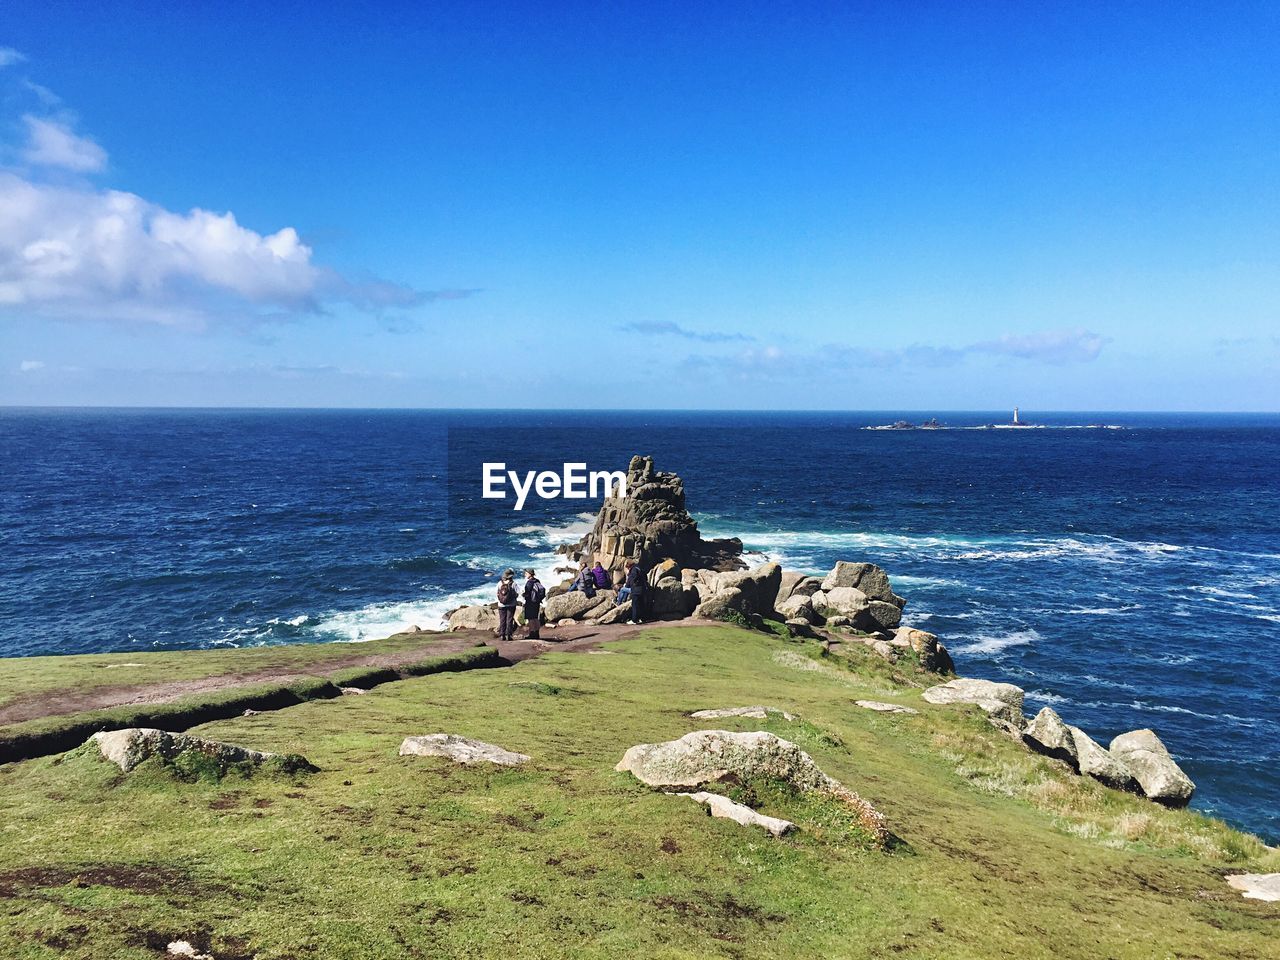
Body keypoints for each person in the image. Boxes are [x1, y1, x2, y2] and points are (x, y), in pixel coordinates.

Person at [521, 568, 545, 640]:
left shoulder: (529, 583)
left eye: (526, 573)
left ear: (529, 574)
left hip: (530, 602)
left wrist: (523, 594)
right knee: (535, 618)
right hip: (537, 602)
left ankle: (531, 633)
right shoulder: (537, 581)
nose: (525, 574)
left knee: (530, 619)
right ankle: (537, 633)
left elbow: (527, 594)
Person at [496, 568, 519, 642]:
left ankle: (502, 635)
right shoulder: (513, 583)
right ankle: (509, 635)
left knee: (502, 620)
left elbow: (497, 593)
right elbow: (517, 593)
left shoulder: (500, 583)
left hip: (501, 605)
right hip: (511, 605)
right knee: (509, 620)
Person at [624, 559, 647, 624]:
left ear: (629, 565)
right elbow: (645, 577)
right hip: (642, 589)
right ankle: (642, 618)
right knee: (641, 605)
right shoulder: (639, 568)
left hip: (636, 590)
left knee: (635, 605)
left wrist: (628, 584)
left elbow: (632, 579)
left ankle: (634, 620)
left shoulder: (633, 570)